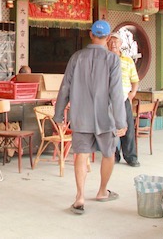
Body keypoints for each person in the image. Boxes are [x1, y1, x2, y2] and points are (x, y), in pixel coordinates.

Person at [54, 19, 127, 215]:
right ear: (108, 38)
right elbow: (116, 93)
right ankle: (102, 191)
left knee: (81, 153)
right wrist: (121, 121)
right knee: (108, 154)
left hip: (81, 117)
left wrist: (58, 115)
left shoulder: (76, 58)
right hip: (106, 118)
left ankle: (80, 197)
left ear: (91, 35)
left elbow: (65, 88)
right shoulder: (113, 60)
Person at [107, 32, 140, 167]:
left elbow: (135, 80)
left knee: (128, 128)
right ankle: (113, 155)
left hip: (124, 98)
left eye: (116, 41)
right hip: (108, 99)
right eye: (111, 41)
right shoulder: (104, 58)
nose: (113, 44)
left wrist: (132, 93)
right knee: (111, 127)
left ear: (121, 43)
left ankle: (131, 157)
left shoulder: (128, 60)